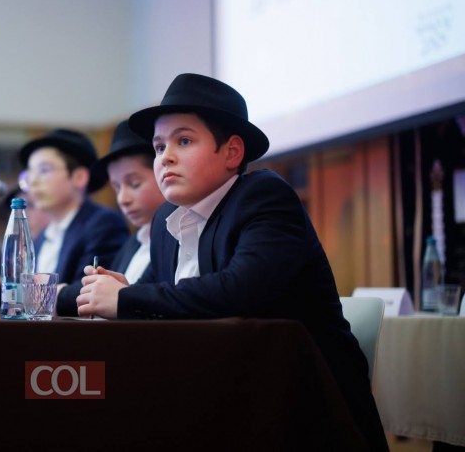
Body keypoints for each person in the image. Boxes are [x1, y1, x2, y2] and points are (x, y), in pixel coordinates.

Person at [75, 73, 388, 451]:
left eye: (183, 141)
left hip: (301, 410)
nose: (165, 157)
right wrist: (119, 291)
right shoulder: (165, 222)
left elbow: (239, 290)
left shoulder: (263, 196)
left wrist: (127, 299)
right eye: (158, 147)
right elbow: (159, 297)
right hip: (216, 398)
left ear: (232, 152)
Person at [0, 128, 128, 316]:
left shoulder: (103, 224)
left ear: (79, 177)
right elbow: (31, 302)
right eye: (29, 173)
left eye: (44, 170)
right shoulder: (44, 235)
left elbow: (86, 295)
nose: (33, 182)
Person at [90, 119, 165, 284]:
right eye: (116, 188)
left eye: (134, 184)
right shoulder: (132, 244)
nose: (123, 199)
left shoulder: (178, 241)